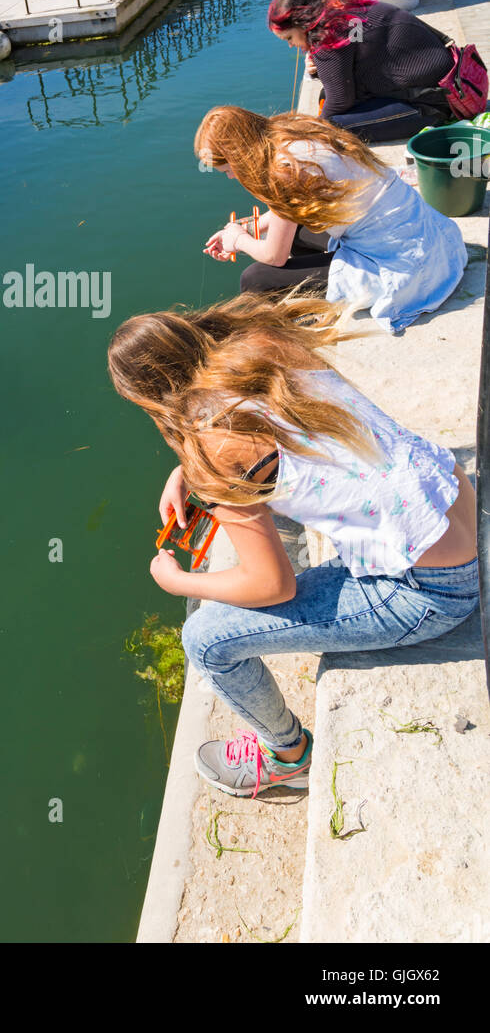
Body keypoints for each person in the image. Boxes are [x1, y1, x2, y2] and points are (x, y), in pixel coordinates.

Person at [106, 294, 479, 798]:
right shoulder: (261, 343)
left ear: (149, 399)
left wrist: (180, 581)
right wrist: (188, 476)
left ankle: (287, 757)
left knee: (205, 641)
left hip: (431, 591)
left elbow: (271, 584)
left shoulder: (214, 454)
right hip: (458, 503)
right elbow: (267, 436)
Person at [197, 106, 467, 332]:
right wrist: (243, 230)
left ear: (238, 157)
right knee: (298, 234)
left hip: (403, 264)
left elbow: (273, 257)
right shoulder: (291, 134)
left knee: (255, 279)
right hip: (424, 238)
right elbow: (285, 217)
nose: (231, 176)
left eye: (227, 170)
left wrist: (240, 240)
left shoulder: (281, 170)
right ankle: (319, 292)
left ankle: (288, 331)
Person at [268, 0, 452, 140]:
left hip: (434, 104)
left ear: (304, 23)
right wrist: (318, 69)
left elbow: (340, 100)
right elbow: (349, 64)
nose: (291, 45)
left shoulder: (327, 35)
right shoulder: (341, 11)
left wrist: (316, 127)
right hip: (445, 85)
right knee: (326, 100)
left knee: (329, 129)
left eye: (289, 38)